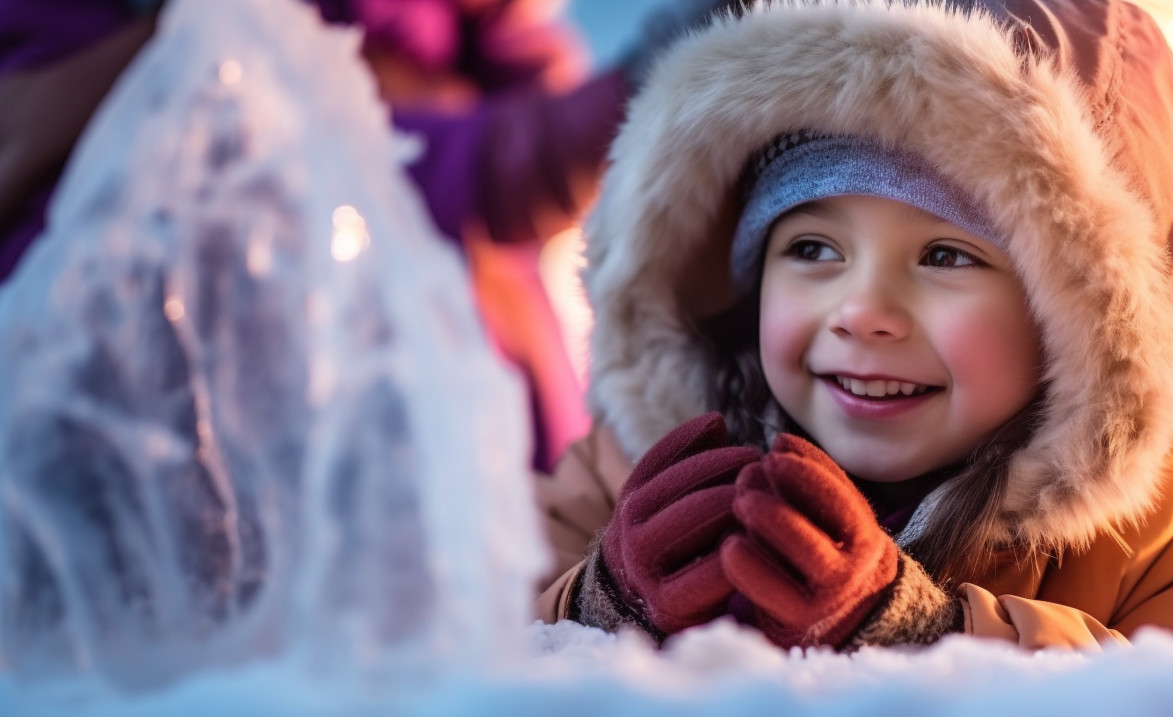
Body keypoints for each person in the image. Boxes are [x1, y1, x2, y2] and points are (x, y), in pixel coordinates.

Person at [532, 0, 1173, 652]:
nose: (862, 313)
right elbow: (471, 650)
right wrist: (600, 602)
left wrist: (922, 634)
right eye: (813, 249)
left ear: (1080, 323)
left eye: (945, 255)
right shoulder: (628, 470)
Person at [0, 0, 735, 473]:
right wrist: (638, 84)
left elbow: (533, 96)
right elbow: (374, 163)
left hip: (479, 420)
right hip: (184, 433)